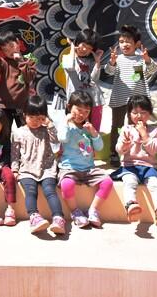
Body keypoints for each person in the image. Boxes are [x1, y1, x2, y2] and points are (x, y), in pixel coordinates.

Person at [57, 91, 113, 229]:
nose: (82, 114)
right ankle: (75, 212)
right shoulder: (66, 126)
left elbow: (99, 147)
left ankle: (93, 210)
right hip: (69, 168)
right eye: (78, 109)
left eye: (86, 111)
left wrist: (94, 132)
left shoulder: (88, 128)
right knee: (66, 184)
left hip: (89, 169)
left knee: (107, 182)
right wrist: (66, 120)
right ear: (69, 107)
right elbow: (62, 138)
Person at [104, 24, 157, 167]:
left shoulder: (141, 59)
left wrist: (147, 59)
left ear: (137, 44)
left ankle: (134, 155)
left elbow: (153, 70)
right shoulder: (118, 59)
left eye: (128, 42)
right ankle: (114, 154)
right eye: (121, 42)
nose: (124, 45)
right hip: (119, 99)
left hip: (137, 102)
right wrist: (112, 61)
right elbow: (108, 71)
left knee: (136, 127)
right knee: (117, 126)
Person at [112, 95, 157, 227]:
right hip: (129, 166)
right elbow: (119, 150)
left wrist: (144, 134)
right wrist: (124, 145)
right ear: (129, 114)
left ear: (149, 114)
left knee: (154, 184)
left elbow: (154, 150)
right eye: (135, 112)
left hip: (149, 166)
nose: (139, 116)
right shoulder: (126, 129)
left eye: (143, 112)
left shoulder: (154, 130)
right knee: (130, 182)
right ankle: (131, 205)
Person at [11, 96, 66, 235]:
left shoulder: (46, 130)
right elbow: (15, 154)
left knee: (50, 190)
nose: (35, 121)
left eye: (39, 118)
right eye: (31, 117)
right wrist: (15, 169)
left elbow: (56, 140)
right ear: (24, 115)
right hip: (27, 170)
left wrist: (49, 124)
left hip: (47, 168)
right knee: (31, 191)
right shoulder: (18, 132)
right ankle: (34, 217)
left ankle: (58, 218)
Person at [0, 30, 36, 128]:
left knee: (24, 130)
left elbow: (29, 78)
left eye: (11, 46)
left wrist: (20, 61)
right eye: (5, 50)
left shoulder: (29, 60)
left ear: (18, 42)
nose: (9, 51)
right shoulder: (3, 62)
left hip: (22, 104)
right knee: (4, 131)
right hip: (4, 104)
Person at [62, 29, 104, 131]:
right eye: (83, 45)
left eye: (89, 48)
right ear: (77, 42)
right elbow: (70, 67)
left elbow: (94, 79)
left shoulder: (91, 61)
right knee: (73, 130)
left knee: (93, 130)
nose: (85, 49)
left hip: (94, 101)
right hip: (76, 103)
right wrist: (72, 49)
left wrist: (97, 62)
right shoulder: (66, 58)